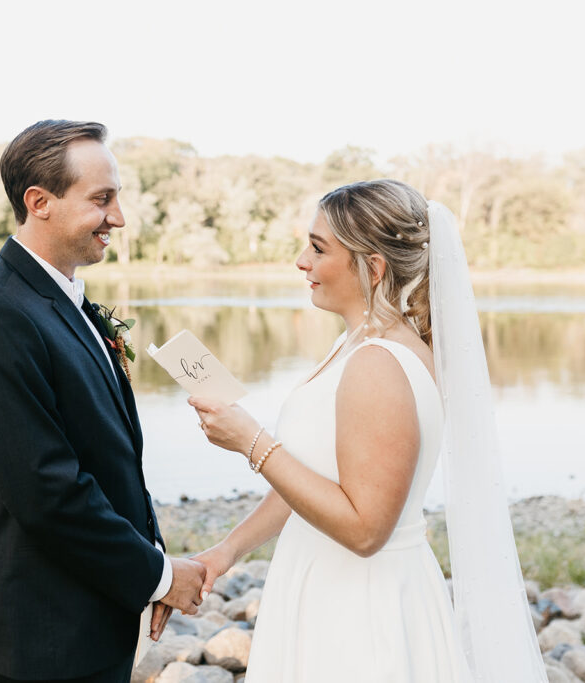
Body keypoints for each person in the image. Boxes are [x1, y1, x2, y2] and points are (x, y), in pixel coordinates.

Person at [189, 180, 547, 681]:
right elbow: (316, 476)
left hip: (359, 607)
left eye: (317, 248)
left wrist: (251, 441)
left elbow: (365, 529)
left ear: (373, 267)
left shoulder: (378, 363)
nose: (301, 262)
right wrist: (227, 550)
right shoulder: (357, 345)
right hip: (324, 586)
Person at [0, 120, 206, 683]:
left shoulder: (63, 300)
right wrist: (159, 575)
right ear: (39, 202)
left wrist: (145, 564)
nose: (118, 217)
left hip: (89, 618)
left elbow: (111, 459)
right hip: (45, 638)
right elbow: (47, 491)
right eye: (102, 199)